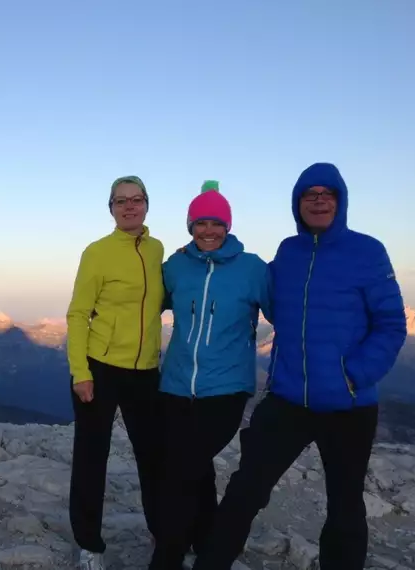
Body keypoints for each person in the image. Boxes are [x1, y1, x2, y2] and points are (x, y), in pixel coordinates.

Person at [192, 162, 407, 570]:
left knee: (345, 507)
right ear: (298, 204)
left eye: (328, 194)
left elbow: (392, 326)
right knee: (245, 491)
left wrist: (353, 375)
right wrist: (214, 246)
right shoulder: (288, 252)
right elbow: (255, 286)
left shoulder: (368, 251)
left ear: (340, 202)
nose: (319, 200)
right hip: (289, 400)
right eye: (310, 194)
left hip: (349, 404)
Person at [148, 180, 272, 570]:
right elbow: (145, 304)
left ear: (228, 227)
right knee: (193, 467)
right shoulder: (176, 266)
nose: (209, 231)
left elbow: (284, 315)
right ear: (190, 225)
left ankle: (167, 557)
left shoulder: (252, 268)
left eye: (216, 223)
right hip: (175, 386)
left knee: (179, 472)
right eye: (200, 223)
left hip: (226, 389)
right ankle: (203, 538)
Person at [66, 175, 165, 570]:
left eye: (137, 199)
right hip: (100, 369)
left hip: (145, 371)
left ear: (146, 205)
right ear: (111, 208)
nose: (129, 206)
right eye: (121, 201)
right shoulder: (98, 252)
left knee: (154, 458)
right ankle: (89, 545)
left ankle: (165, 532)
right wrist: (80, 372)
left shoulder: (158, 251)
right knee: (92, 459)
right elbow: (77, 314)